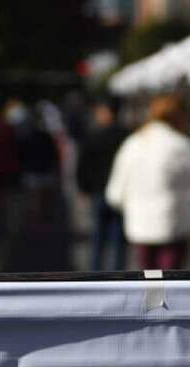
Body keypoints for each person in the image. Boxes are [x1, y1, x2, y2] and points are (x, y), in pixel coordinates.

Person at [105, 95, 190, 270]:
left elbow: (115, 194)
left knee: (148, 282)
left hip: (139, 227)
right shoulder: (180, 145)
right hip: (174, 225)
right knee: (170, 282)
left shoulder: (133, 143)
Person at [76, 99, 128, 270]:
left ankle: (95, 274)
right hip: (121, 193)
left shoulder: (94, 135)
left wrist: (83, 187)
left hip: (98, 191)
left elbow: (83, 164)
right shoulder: (126, 136)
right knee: (119, 238)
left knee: (98, 236)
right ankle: (119, 275)